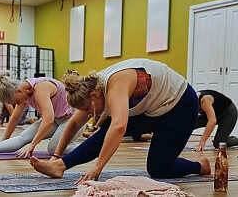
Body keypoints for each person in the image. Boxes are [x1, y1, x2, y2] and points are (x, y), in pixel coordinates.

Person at [30, 58, 211, 184]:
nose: (87, 114)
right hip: (152, 109)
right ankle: (60, 167)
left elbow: (119, 127)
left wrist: (98, 167)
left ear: (93, 97)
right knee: (105, 129)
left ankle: (200, 166)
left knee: (158, 169)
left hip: (180, 106)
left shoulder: (114, 85)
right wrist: (56, 157)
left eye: (86, 109)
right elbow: (74, 123)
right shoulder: (92, 87)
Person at [0, 71, 85, 158]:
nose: (18, 104)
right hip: (57, 119)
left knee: (53, 149)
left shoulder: (41, 88)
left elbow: (48, 119)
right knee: (23, 137)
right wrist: (4, 141)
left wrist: (33, 144)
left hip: (73, 118)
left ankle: (89, 147)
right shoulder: (24, 93)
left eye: (16, 102)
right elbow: (15, 118)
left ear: (18, 91)